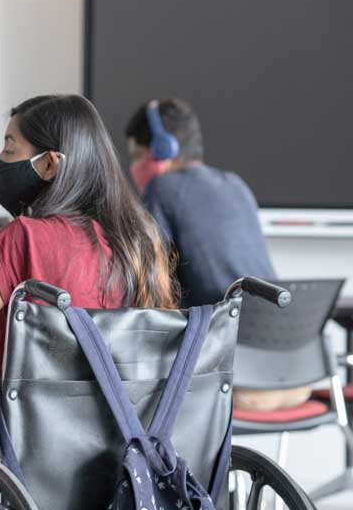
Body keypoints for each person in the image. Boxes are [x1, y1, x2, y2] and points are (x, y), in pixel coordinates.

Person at [0, 94, 177, 372]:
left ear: (49, 164)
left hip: (52, 417)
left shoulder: (23, 238)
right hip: (134, 415)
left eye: (9, 150)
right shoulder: (141, 237)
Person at [126, 99, 299, 411]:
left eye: (138, 156)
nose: (134, 167)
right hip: (292, 376)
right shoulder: (236, 185)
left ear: (164, 149)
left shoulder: (162, 188)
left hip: (232, 378)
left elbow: (150, 285)